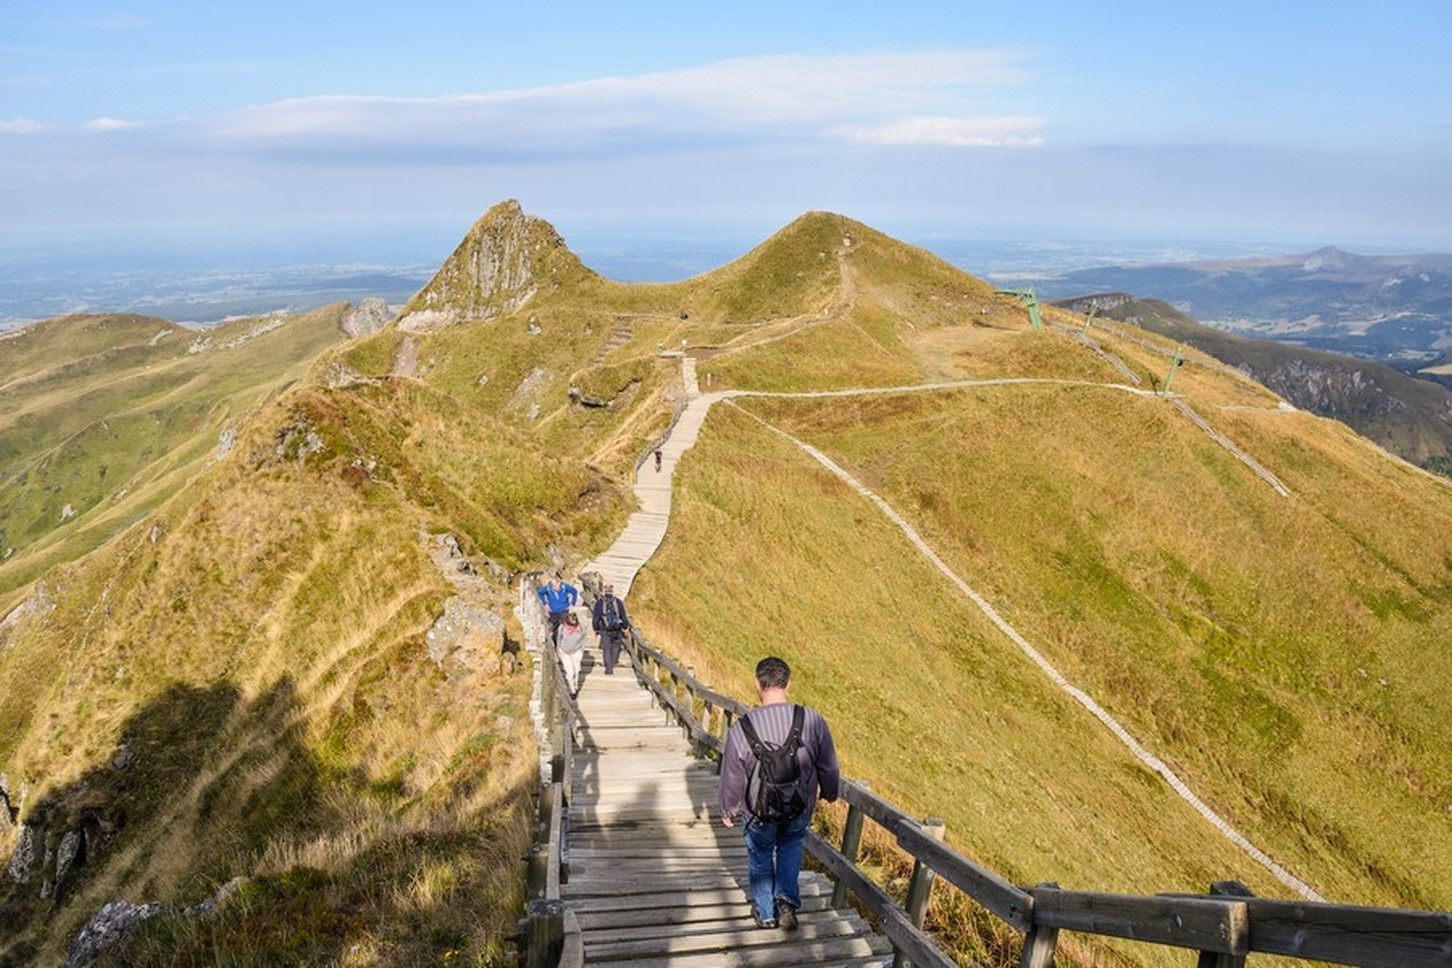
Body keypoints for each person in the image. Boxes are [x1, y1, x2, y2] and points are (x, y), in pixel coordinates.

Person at [719, 657, 839, 931]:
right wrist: (830, 791)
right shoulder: (811, 720)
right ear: (788, 684)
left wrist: (728, 807)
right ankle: (786, 900)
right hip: (799, 805)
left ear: (757, 684)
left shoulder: (742, 728)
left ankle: (766, 914)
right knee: (790, 846)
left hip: (757, 811)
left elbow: (733, 774)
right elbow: (828, 763)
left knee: (760, 854)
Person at [590, 583, 630, 675]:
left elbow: (596, 617)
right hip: (617, 628)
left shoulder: (599, 603)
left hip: (605, 628)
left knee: (606, 648)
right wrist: (625, 626)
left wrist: (596, 629)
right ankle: (614, 661)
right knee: (616, 645)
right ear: (612, 591)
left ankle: (608, 668)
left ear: (604, 591)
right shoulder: (618, 602)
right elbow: (623, 615)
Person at [554, 609, 587, 697]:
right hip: (564, 651)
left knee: (576, 671)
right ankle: (572, 690)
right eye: (570, 625)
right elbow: (559, 639)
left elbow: (583, 639)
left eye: (574, 625)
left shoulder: (581, 629)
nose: (571, 628)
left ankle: (575, 685)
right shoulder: (562, 627)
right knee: (570, 672)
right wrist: (558, 651)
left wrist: (581, 650)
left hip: (576, 652)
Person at [536, 575, 578, 639]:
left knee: (564, 624)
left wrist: (572, 604)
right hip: (553, 611)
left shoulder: (564, 587)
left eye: (556, 585)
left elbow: (574, 592)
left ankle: (565, 641)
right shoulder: (548, 588)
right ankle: (555, 642)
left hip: (564, 610)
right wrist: (545, 603)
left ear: (559, 583)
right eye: (553, 585)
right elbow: (539, 593)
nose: (554, 587)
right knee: (554, 628)